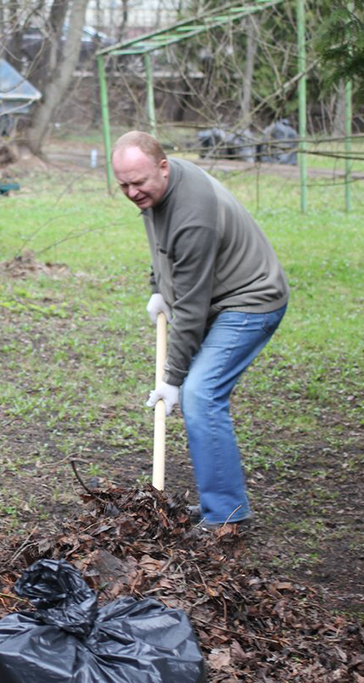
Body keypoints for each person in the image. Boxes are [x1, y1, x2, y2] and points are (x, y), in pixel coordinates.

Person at [111, 130, 289, 531]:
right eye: (123, 185)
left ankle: (225, 516)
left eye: (138, 182)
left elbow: (190, 311)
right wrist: (158, 287)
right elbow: (164, 245)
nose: (132, 192)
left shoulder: (193, 215)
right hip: (218, 298)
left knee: (200, 395)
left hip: (250, 301)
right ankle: (221, 506)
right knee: (200, 395)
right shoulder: (158, 189)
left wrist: (172, 379)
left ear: (163, 167)